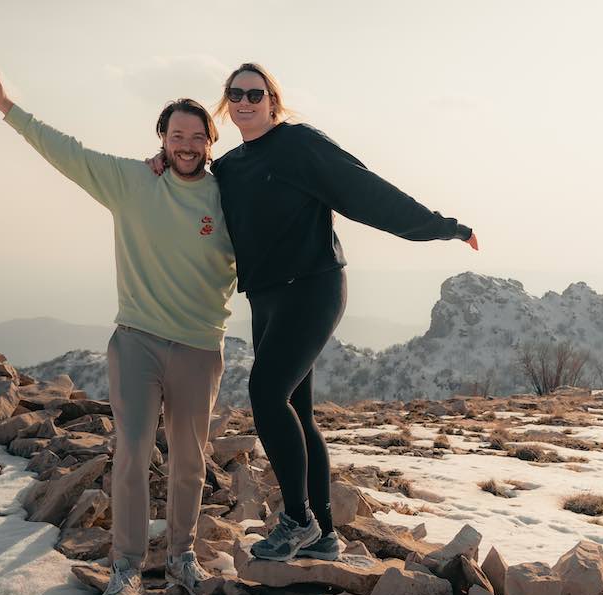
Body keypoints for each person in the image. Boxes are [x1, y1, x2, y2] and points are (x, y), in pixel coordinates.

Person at [152, 63, 478, 561]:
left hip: (314, 288)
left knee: (265, 393)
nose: (244, 101)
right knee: (297, 413)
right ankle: (323, 534)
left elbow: (367, 193)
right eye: (235, 94)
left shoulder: (300, 144)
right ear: (226, 101)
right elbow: (192, 184)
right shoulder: (231, 168)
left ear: (272, 100)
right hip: (266, 298)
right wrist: (159, 162)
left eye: (254, 94)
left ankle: (297, 521)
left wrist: (443, 226)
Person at [0, 56, 234, 595]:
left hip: (201, 345)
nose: (186, 144)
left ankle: (181, 555)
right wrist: (7, 108)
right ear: (162, 138)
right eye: (176, 134)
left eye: (196, 136)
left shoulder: (229, 193)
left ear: (211, 140)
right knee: (132, 450)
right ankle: (127, 565)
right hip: (137, 339)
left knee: (189, 457)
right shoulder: (132, 181)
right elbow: (68, 153)